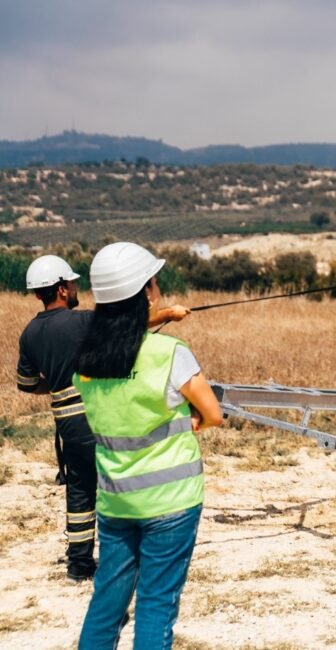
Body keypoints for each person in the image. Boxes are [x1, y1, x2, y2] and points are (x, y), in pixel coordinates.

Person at [73, 242, 222, 649]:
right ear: (147, 292)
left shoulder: (86, 361)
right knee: (156, 606)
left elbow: (119, 337)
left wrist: (163, 316)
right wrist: (193, 421)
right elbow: (213, 414)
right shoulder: (170, 353)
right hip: (172, 502)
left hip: (116, 501)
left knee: (106, 605)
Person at [16, 254, 190, 582]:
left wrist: (59, 383)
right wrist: (169, 314)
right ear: (62, 289)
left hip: (67, 424)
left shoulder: (29, 334)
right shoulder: (81, 321)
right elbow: (125, 326)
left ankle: (79, 564)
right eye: (72, 283)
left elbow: (26, 384)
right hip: (98, 416)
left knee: (81, 490)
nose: (76, 287)